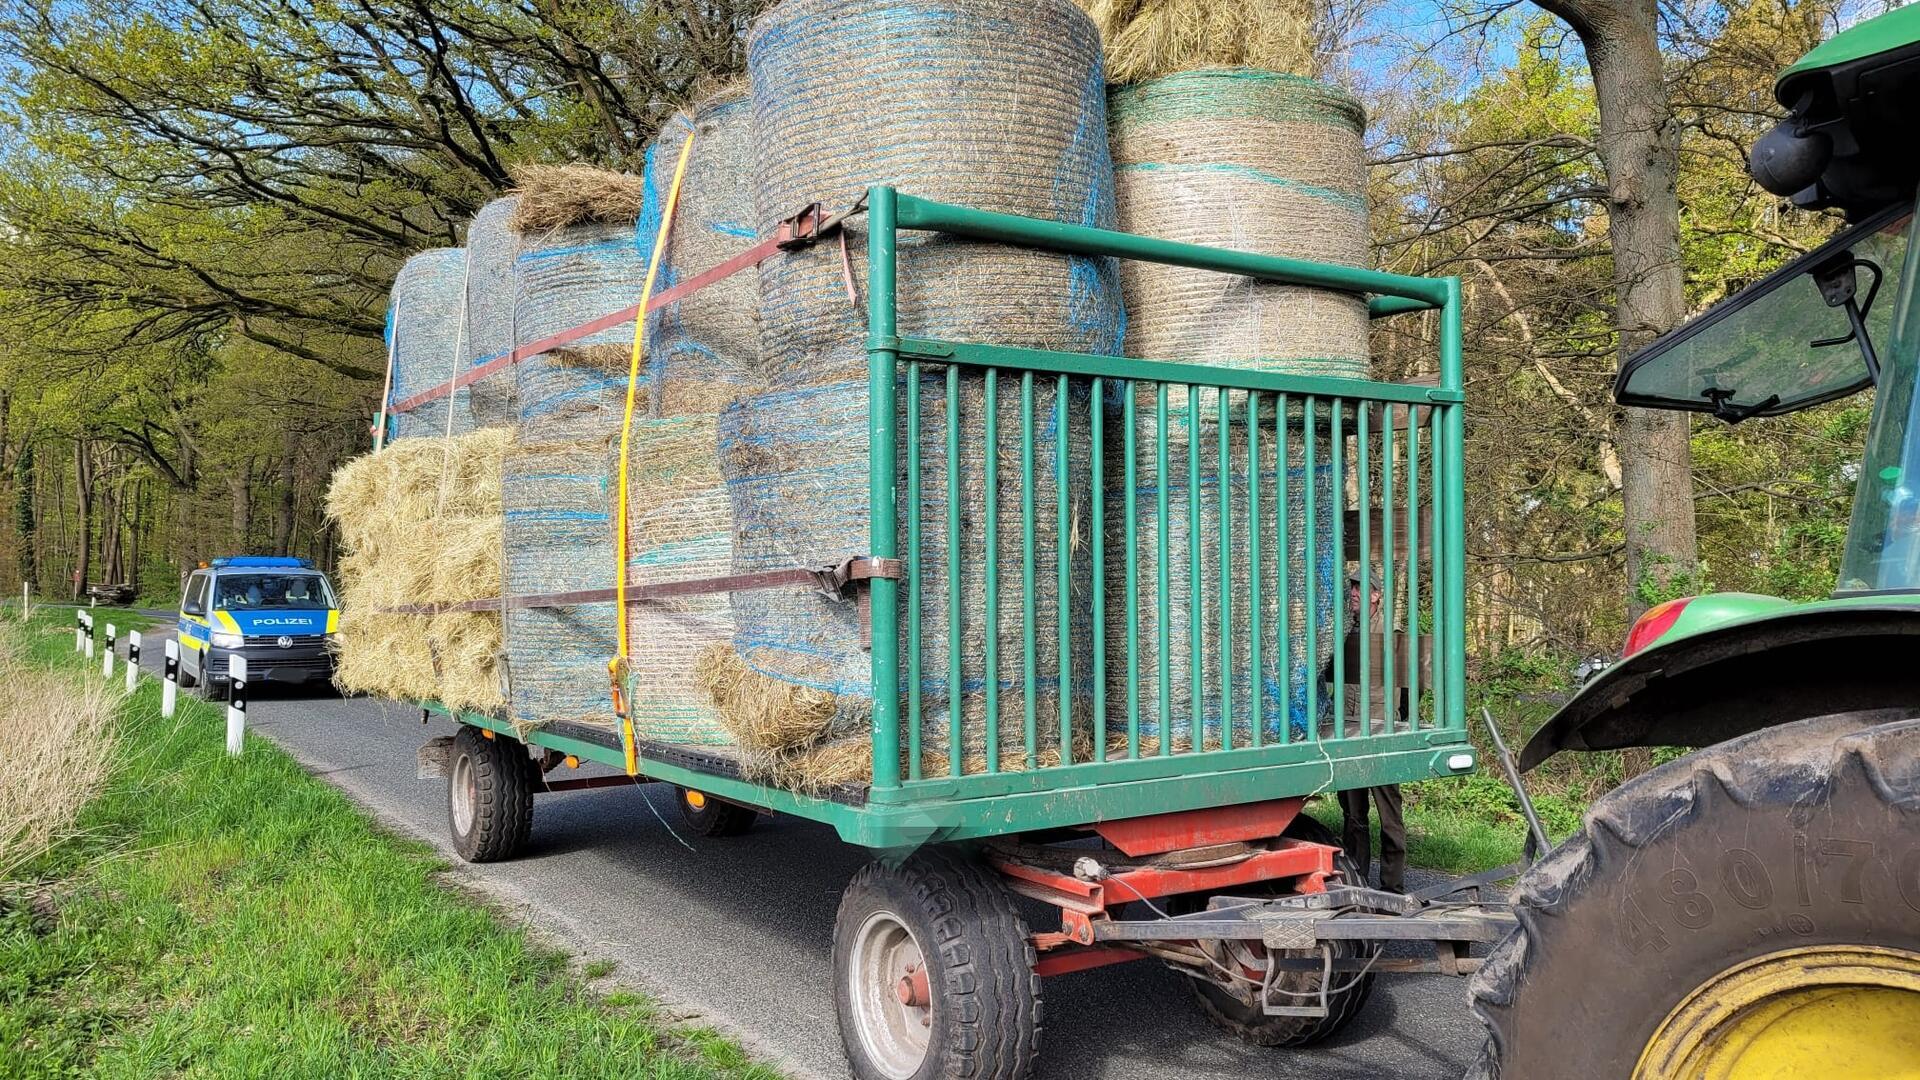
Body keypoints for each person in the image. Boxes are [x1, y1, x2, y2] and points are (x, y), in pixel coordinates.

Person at [1336, 571, 1407, 894]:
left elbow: (1409, 686)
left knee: (1389, 818)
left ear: (1377, 595)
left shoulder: (1391, 634)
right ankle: (1357, 883)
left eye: (1360, 587)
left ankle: (1392, 888)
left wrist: (1392, 718)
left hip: (1379, 731)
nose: (1353, 592)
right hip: (1350, 731)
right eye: (1352, 586)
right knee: (1353, 814)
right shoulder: (1346, 630)